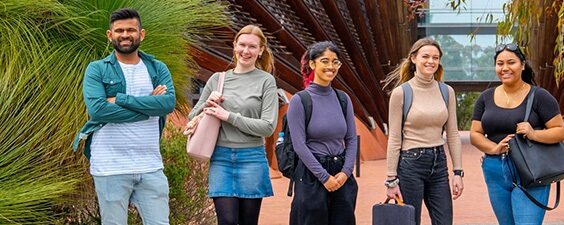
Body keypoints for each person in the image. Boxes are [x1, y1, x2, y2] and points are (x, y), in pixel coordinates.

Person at [74, 8, 175, 225]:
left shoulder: (157, 68)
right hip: (110, 166)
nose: (125, 34)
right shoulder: (97, 69)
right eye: (119, 30)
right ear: (110, 35)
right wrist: (149, 106)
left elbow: (167, 104)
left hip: (151, 166)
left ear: (142, 34)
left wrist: (120, 99)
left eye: (131, 29)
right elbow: (99, 111)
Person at [186, 24, 278, 225]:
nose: (246, 51)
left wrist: (228, 116)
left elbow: (268, 126)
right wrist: (208, 104)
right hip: (221, 158)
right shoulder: (217, 79)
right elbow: (192, 118)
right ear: (234, 46)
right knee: (226, 221)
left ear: (261, 50)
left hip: (252, 158)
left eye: (252, 47)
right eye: (242, 45)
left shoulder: (266, 81)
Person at [469, 43, 564, 225]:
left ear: (522, 65)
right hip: (495, 170)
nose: (505, 68)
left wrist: (533, 134)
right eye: (500, 64)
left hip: (530, 168)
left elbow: (562, 131)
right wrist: (495, 148)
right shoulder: (485, 97)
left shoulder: (539, 96)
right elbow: (475, 133)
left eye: (511, 62)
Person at [383, 37, 463, 225]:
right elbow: (394, 138)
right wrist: (391, 179)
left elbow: (452, 134)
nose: (431, 61)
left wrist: (458, 172)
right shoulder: (402, 93)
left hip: (439, 163)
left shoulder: (446, 91)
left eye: (435, 57)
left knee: (444, 221)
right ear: (413, 58)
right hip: (410, 164)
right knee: (410, 221)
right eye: (425, 56)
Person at [287, 41, 359, 225]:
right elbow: (299, 145)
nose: (331, 67)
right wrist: (324, 177)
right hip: (312, 175)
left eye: (335, 62)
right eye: (325, 61)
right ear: (312, 64)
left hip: (341, 175)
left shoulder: (343, 99)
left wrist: (345, 172)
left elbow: (351, 139)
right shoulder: (299, 100)